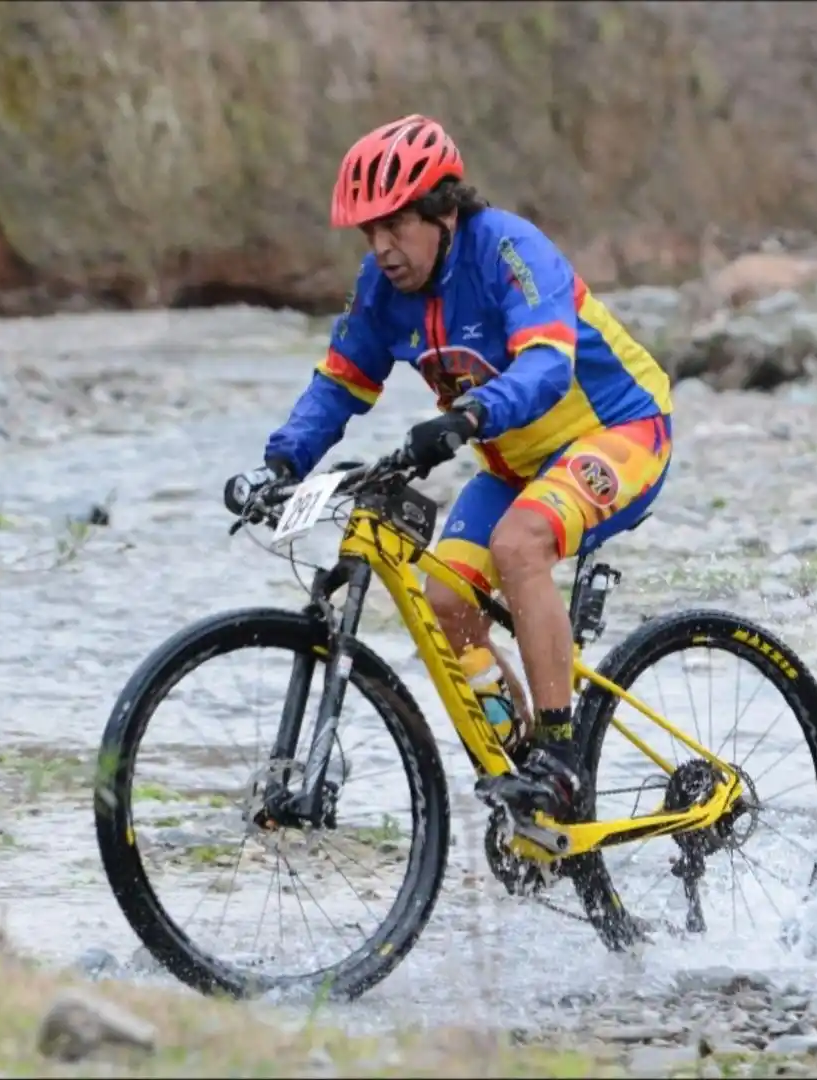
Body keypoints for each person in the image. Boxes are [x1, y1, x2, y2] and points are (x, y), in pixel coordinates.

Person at [224, 114, 673, 821]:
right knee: (444, 597)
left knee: (519, 542)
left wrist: (466, 418)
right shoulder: (380, 285)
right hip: (513, 462)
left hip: (618, 431)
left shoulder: (510, 251)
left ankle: (558, 759)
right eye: (367, 232)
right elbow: (340, 384)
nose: (380, 247)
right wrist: (280, 463)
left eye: (394, 225)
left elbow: (547, 369)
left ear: (440, 209)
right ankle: (522, 768)